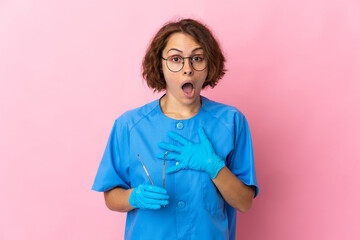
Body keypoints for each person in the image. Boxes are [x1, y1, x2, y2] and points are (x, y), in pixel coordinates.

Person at [92, 18, 259, 240]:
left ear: (209, 65)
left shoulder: (231, 121)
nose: (187, 69)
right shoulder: (129, 126)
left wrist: (214, 167)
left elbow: (244, 202)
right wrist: (133, 197)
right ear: (160, 65)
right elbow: (111, 195)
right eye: (176, 59)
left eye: (197, 58)